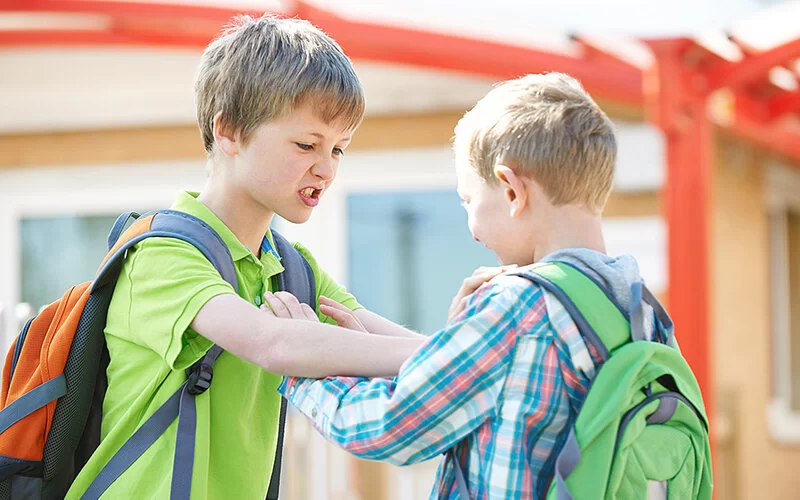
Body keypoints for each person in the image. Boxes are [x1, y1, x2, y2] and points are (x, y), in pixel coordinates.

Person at [66, 14, 425, 500]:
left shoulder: (292, 268)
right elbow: (272, 343)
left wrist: (482, 345)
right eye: (306, 144)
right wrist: (464, 358)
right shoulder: (161, 253)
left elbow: (396, 342)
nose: (326, 168)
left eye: (339, 149)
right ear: (230, 130)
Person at [276, 72, 665, 498]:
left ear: (512, 191)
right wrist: (455, 341)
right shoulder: (639, 307)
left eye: (468, 200)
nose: (472, 228)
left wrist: (303, 368)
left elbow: (390, 426)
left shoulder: (521, 306)